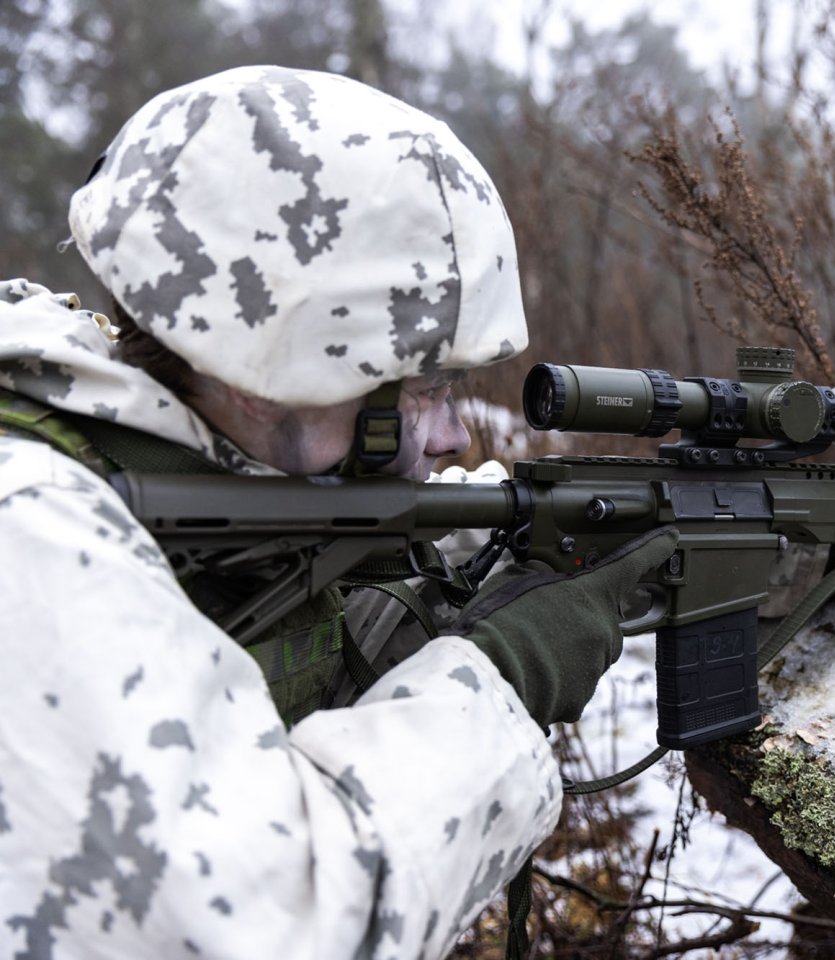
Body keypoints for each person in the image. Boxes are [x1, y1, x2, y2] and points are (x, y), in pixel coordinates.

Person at [0, 65, 676, 958]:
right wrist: (499, 673)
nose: (451, 441)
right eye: (424, 390)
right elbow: (267, 924)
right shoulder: (32, 532)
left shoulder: (155, 457)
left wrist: (437, 595)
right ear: (285, 363)